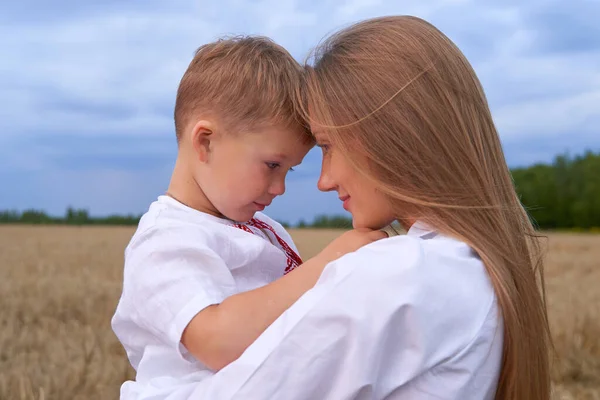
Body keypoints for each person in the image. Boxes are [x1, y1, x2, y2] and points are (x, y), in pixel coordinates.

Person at [175, 15, 551, 400]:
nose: (324, 180)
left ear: (391, 133)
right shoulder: (469, 268)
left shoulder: (401, 276)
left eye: (328, 146)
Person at [111, 36, 386, 399]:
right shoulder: (164, 242)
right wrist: (329, 265)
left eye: (289, 170)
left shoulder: (265, 229)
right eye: (273, 165)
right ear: (205, 142)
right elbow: (217, 341)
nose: (280, 187)